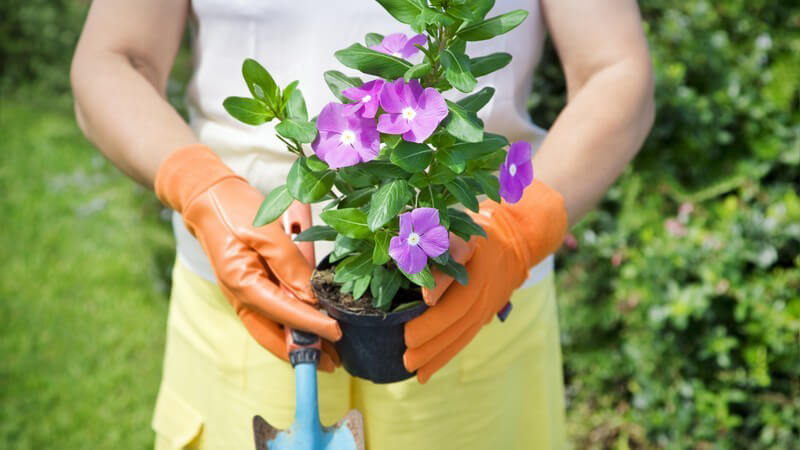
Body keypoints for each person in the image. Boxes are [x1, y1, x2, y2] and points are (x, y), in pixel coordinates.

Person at [71, 0, 654, 448]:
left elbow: (616, 67)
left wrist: (525, 228)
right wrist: (200, 185)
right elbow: (112, 57)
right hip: (244, 305)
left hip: (473, 309)